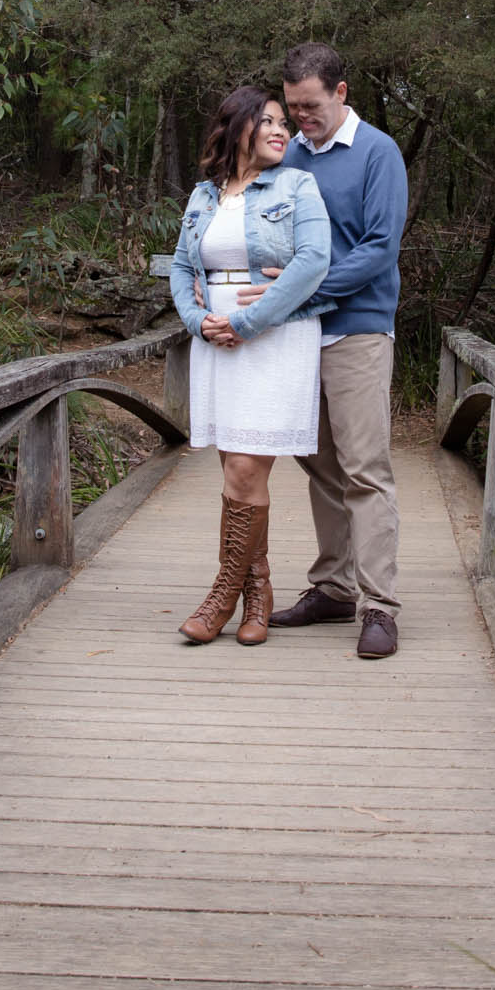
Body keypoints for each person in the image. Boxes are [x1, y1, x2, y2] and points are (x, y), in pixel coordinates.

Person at [202, 42, 408, 659]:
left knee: (365, 468)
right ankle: (334, 587)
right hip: (292, 336)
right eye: (292, 108)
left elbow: (380, 248)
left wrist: (298, 292)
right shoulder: (288, 155)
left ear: (341, 93)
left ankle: (379, 606)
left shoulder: (377, 152)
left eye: (311, 106)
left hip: (356, 329)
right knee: (318, 465)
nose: (300, 118)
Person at [167, 85, 332, 646]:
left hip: (273, 339)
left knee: (244, 469)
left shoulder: (297, 185)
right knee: (237, 472)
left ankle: (221, 596)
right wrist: (199, 322)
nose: (283, 130)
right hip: (217, 342)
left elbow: (313, 262)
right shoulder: (203, 195)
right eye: (269, 121)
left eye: (285, 123)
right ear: (238, 127)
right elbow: (182, 267)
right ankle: (257, 592)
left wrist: (246, 322)